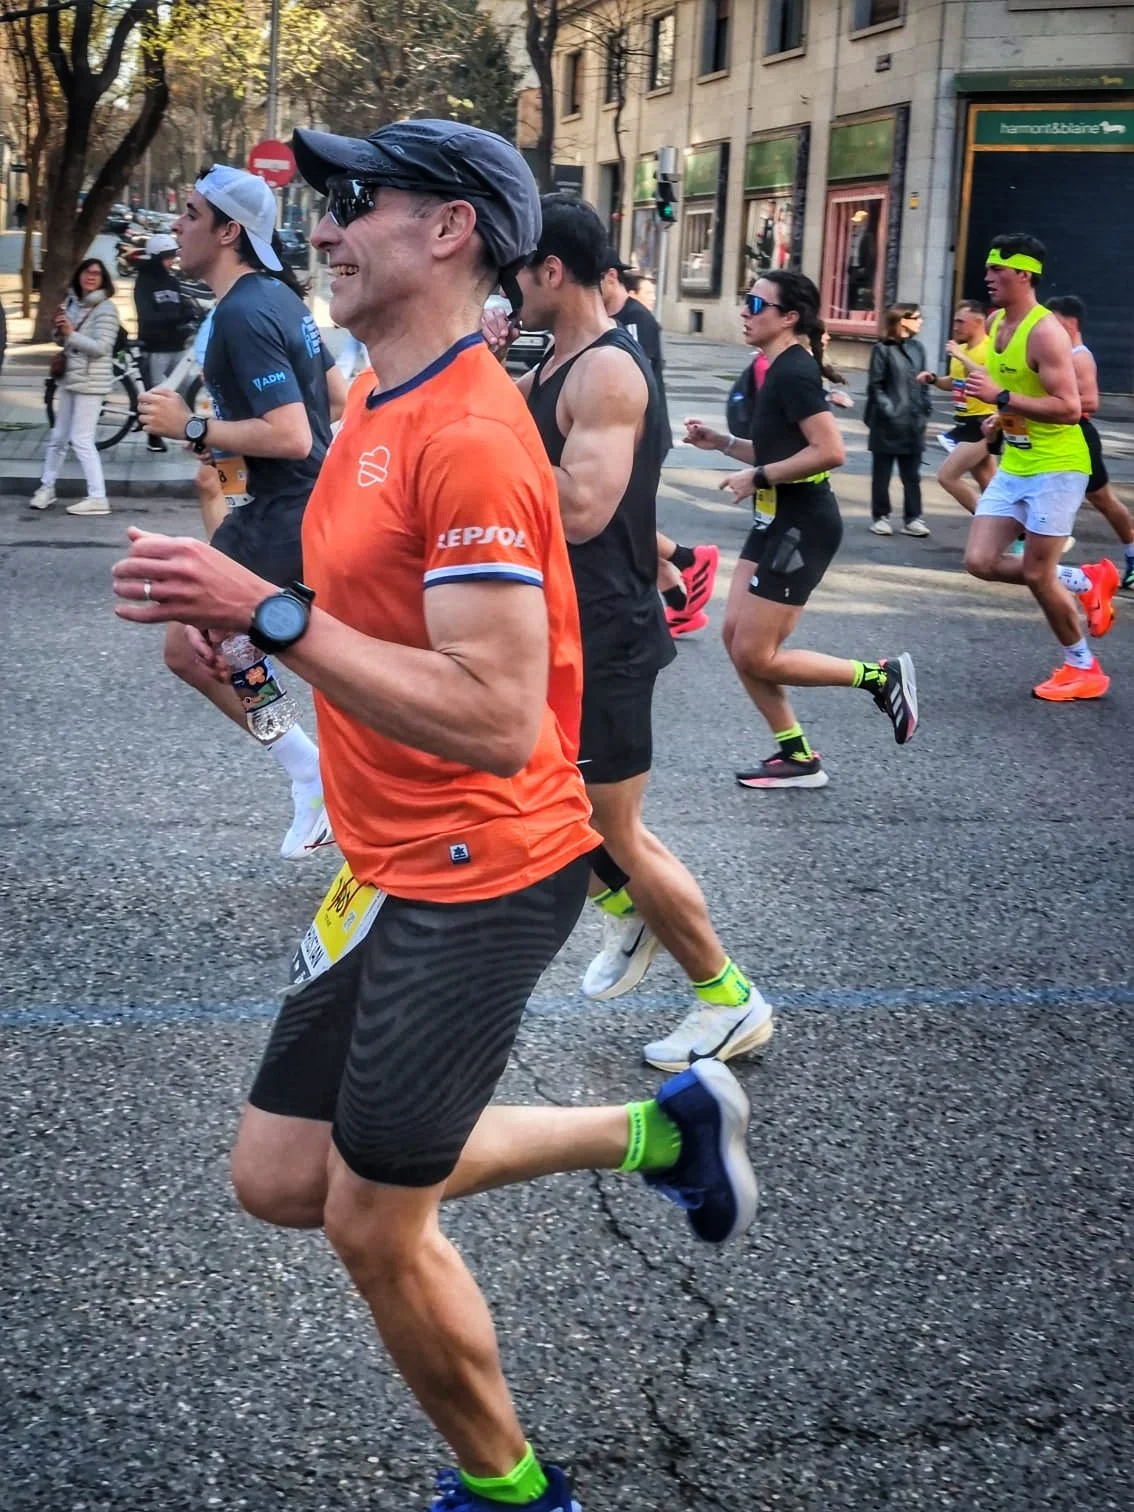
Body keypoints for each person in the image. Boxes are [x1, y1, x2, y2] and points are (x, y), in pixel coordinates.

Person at [111, 117, 760, 1512]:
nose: (324, 229)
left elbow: (495, 713)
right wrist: (259, 616)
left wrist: (268, 614)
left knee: (369, 1218)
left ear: (452, 228)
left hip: (484, 868)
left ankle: (514, 1491)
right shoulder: (375, 396)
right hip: (388, 858)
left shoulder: (468, 434)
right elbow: (376, 608)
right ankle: (657, 1132)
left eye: (355, 201)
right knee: (279, 1176)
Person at [508, 193, 772, 1074]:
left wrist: (487, 457)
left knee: (616, 831)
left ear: (551, 271)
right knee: (542, 802)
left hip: (607, 634)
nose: (508, 289)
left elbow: (581, 509)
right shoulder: (556, 361)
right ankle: (629, 914)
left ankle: (727, 997)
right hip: (563, 626)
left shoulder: (609, 373)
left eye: (516, 273)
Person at [137, 165, 334, 858]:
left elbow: (294, 434)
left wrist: (191, 426)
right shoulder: (277, 298)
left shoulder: (245, 312)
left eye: (191, 214)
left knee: (186, 646)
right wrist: (221, 453)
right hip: (298, 503)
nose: (177, 225)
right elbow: (336, 395)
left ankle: (313, 776)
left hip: (288, 510)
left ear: (228, 232)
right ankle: (326, 777)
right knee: (227, 643)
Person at [684, 272, 919, 790]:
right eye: (745, 300)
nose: (744, 311)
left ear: (788, 317)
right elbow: (778, 450)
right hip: (774, 518)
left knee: (756, 653)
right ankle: (796, 755)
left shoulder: (793, 371)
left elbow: (830, 451)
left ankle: (879, 676)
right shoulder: (776, 367)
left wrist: (758, 477)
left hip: (802, 523)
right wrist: (722, 443)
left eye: (755, 303)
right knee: (735, 639)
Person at [962, 234, 1117, 702]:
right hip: (1017, 461)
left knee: (1036, 574)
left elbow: (1070, 408)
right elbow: (1017, 389)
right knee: (979, 561)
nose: (988, 277)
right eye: (988, 268)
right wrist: (1000, 415)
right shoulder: (996, 322)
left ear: (1024, 274)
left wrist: (1001, 397)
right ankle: (1086, 580)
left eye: (998, 270)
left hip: (1058, 467)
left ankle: (1083, 667)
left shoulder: (1045, 331)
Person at [597, 247, 719, 637]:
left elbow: (632, 384)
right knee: (622, 522)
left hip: (640, 438)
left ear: (611, 277)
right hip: (624, 436)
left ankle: (690, 559)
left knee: (621, 521)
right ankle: (681, 604)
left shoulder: (637, 321)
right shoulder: (609, 318)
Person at [1047, 294, 1134, 593]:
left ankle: (1132, 554)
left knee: (1103, 499)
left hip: (1079, 434)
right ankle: (1041, 558)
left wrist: (1050, 404)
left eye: (1055, 322)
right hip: (1054, 434)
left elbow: (1091, 401)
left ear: (1071, 324)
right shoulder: (1057, 354)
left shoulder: (1079, 357)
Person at [29, 257, 120, 517]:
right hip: (70, 379)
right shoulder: (73, 303)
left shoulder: (106, 309)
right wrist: (58, 329)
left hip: (91, 382)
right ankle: (47, 487)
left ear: (103, 280)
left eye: (96, 274)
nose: (90, 277)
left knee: (81, 440)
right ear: (78, 275)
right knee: (58, 437)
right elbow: (64, 341)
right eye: (86, 272)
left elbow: (102, 348)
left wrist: (71, 333)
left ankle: (98, 497)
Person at [916, 300, 997, 515]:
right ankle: (1011, 527)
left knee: (947, 476)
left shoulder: (990, 348)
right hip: (964, 421)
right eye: (955, 321)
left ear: (978, 322)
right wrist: (934, 379)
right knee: (990, 483)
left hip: (985, 422)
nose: (955, 327)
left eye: (961, 322)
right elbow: (953, 382)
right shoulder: (960, 349)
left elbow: (985, 377)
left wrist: (960, 356)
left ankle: (988, 522)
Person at [865, 303, 932, 537]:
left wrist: (925, 408)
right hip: (887, 423)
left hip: (913, 421)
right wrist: (890, 410)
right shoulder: (882, 349)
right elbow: (875, 386)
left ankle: (913, 518)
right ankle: (881, 516)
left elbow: (923, 383)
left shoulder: (918, 348)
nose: (920, 321)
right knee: (882, 474)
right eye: (917, 317)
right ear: (902, 320)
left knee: (912, 475)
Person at [133, 232, 199, 454]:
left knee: (187, 389)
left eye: (173, 257)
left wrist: (188, 311)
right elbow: (147, 315)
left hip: (177, 345)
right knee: (156, 394)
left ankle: (193, 434)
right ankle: (154, 438)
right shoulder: (144, 282)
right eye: (167, 257)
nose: (172, 262)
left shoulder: (172, 280)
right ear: (156, 258)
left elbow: (180, 305)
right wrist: (176, 318)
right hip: (156, 347)